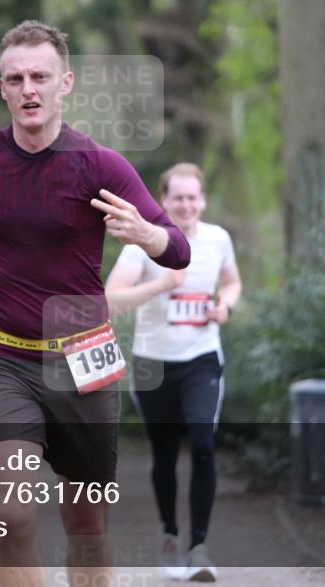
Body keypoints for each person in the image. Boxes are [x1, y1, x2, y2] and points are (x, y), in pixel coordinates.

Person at [0, 20, 190, 587]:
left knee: (86, 523)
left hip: (83, 356)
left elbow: (178, 251)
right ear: (2, 88)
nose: (29, 89)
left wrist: (146, 235)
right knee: (12, 512)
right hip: (3, 359)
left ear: (64, 82)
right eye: (16, 78)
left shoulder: (100, 166)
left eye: (40, 76)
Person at [104, 162, 241, 582]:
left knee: (202, 442)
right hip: (153, 364)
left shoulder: (218, 239)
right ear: (163, 200)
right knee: (164, 456)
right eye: (177, 197)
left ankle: (198, 546)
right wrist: (162, 283)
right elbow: (111, 298)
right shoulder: (142, 243)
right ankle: (169, 534)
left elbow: (232, 282)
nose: (185, 204)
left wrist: (225, 306)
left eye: (192, 197)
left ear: (203, 200)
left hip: (201, 360)